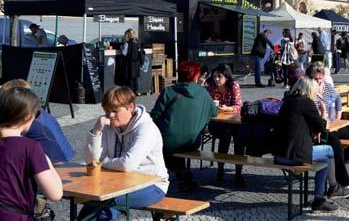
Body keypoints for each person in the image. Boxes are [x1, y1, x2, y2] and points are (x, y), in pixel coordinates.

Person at [79, 86, 169, 220]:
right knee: (95, 200)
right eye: (107, 111)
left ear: (131, 107)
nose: (110, 116)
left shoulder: (146, 128)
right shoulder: (108, 125)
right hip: (116, 183)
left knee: (106, 202)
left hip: (152, 185)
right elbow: (91, 160)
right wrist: (96, 131)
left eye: (115, 111)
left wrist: (103, 162)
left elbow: (127, 164)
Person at [273, 76, 339, 212]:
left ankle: (320, 197)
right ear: (310, 89)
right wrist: (323, 112)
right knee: (329, 150)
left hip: (279, 154)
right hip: (294, 156)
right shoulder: (306, 102)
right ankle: (329, 190)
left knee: (325, 159)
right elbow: (322, 126)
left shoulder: (288, 100)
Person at [151, 60, 218, 191]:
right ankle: (183, 175)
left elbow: (155, 116)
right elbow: (214, 112)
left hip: (167, 142)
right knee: (176, 142)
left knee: (167, 143)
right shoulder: (203, 93)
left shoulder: (168, 92)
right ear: (196, 76)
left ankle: (180, 174)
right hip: (192, 142)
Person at [0, 87, 63, 221]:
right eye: (37, 114)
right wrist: (46, 160)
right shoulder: (30, 147)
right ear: (27, 116)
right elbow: (55, 194)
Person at [309, 64, 349, 198]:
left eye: (320, 78)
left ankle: (334, 169)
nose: (318, 81)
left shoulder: (328, 88)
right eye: (315, 79)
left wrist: (338, 116)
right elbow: (315, 118)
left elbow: (337, 99)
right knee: (337, 147)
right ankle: (344, 184)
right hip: (320, 129)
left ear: (324, 77)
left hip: (332, 125)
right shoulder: (310, 92)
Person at [1, 79, 74, 163]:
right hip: (65, 155)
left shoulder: (28, 121)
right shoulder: (41, 113)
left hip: (54, 163)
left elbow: (8, 139)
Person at [205, 64, 242, 182]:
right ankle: (220, 169)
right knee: (225, 135)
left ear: (226, 77)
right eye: (215, 76)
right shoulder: (211, 86)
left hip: (232, 119)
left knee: (239, 137)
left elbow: (238, 105)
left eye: (219, 76)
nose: (216, 79)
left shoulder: (234, 85)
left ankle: (238, 172)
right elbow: (208, 104)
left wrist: (227, 108)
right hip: (216, 120)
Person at [120, 28, 144, 92]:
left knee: (130, 79)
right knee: (135, 79)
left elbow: (124, 53)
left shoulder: (127, 44)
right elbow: (140, 52)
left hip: (130, 64)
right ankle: (135, 91)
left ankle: (130, 92)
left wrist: (121, 48)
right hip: (136, 63)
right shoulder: (137, 42)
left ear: (127, 35)